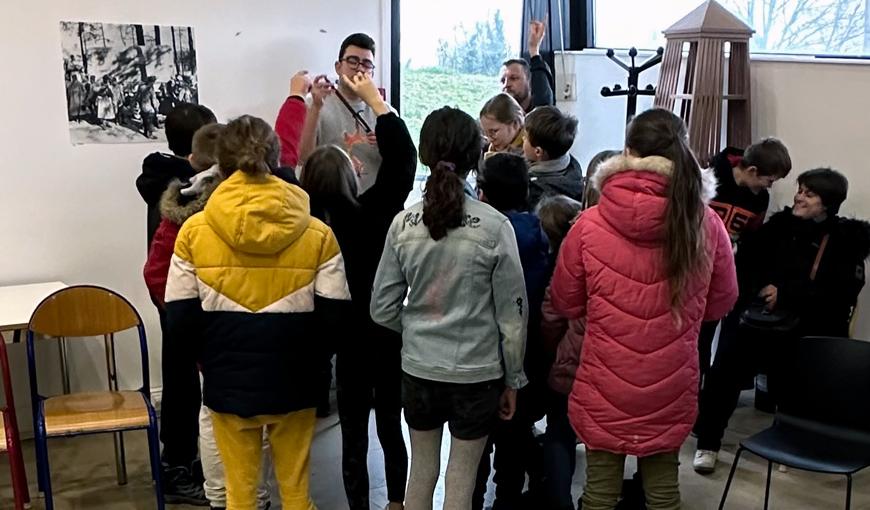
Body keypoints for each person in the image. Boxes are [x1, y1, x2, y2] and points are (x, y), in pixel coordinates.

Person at [550, 108, 738, 510]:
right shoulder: (706, 224)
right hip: (672, 380)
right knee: (663, 492)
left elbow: (565, 300)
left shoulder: (589, 224)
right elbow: (720, 303)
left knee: (599, 493)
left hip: (604, 377)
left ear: (628, 150)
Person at [165, 114, 349, 510]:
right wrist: (312, 361)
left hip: (227, 380)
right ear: (275, 156)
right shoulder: (318, 232)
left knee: (240, 494)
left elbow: (178, 323)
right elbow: (336, 320)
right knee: (298, 492)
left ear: (221, 162)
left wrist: (214, 359)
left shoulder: (193, 233)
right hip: (297, 383)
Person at [370, 106, 528, 510]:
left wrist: (420, 329)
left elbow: (381, 307)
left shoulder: (402, 225)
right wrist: (513, 379)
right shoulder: (495, 227)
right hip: (477, 374)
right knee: (461, 476)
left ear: (424, 153)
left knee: (421, 471)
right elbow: (513, 318)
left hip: (419, 368)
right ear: (476, 156)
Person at [291, 71, 415, 510]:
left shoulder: (307, 233)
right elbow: (403, 162)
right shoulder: (375, 215)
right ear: (351, 175)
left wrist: (306, 105)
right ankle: (397, 503)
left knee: (353, 436)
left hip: (345, 345)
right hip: (385, 335)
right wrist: (377, 104)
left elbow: (291, 159)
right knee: (389, 429)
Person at [693, 168, 869, 475]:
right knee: (723, 376)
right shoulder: (776, 227)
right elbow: (744, 266)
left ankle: (791, 442)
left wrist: (788, 293)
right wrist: (763, 288)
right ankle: (708, 444)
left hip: (808, 330)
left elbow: (844, 291)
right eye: (800, 190)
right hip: (760, 322)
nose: (799, 197)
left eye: (809, 193)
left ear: (828, 202)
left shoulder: (845, 239)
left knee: (798, 384)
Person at [135, 101, 217, 506]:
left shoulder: (163, 179)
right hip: (180, 296)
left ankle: (186, 463)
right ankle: (177, 468)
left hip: (173, 296)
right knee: (185, 386)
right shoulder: (187, 190)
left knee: (184, 382)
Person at [472, 153, 551, 510]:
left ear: (483, 194)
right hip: (528, 353)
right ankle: (507, 499)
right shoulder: (541, 234)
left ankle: (472, 501)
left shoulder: (481, 237)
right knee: (514, 438)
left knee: (475, 444)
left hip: (483, 356)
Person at [693, 139, 792, 406]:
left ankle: (716, 395)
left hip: (732, 274)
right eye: (768, 180)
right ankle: (694, 394)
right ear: (751, 171)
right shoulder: (707, 179)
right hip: (698, 274)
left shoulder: (759, 198)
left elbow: (753, 238)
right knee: (700, 339)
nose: (769, 187)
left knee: (729, 340)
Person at [537, 194, 584, 510]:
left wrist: (549, 351)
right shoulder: (593, 255)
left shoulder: (552, 266)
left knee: (559, 430)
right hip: (598, 361)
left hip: (565, 359)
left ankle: (558, 500)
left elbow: (551, 318)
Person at [299, 33, 392, 192]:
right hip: (328, 203)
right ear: (338, 66)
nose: (359, 68)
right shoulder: (315, 103)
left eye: (367, 64)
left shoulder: (386, 112)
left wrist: (386, 144)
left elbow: (400, 164)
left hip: (372, 204)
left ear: (373, 73)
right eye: (352, 61)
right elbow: (303, 158)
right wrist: (315, 108)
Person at [523, 106, 584, 209]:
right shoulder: (573, 165)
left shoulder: (536, 191)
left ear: (538, 151)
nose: (522, 139)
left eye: (525, 137)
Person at [500, 18, 554, 113]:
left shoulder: (540, 116)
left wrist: (534, 49)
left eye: (514, 78)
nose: (506, 85)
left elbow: (543, 102)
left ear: (529, 81)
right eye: (502, 80)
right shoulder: (497, 116)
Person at [480, 93, 525, 161]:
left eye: (494, 131)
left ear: (515, 124)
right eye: (486, 133)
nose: (489, 139)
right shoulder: (488, 151)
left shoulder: (531, 155)